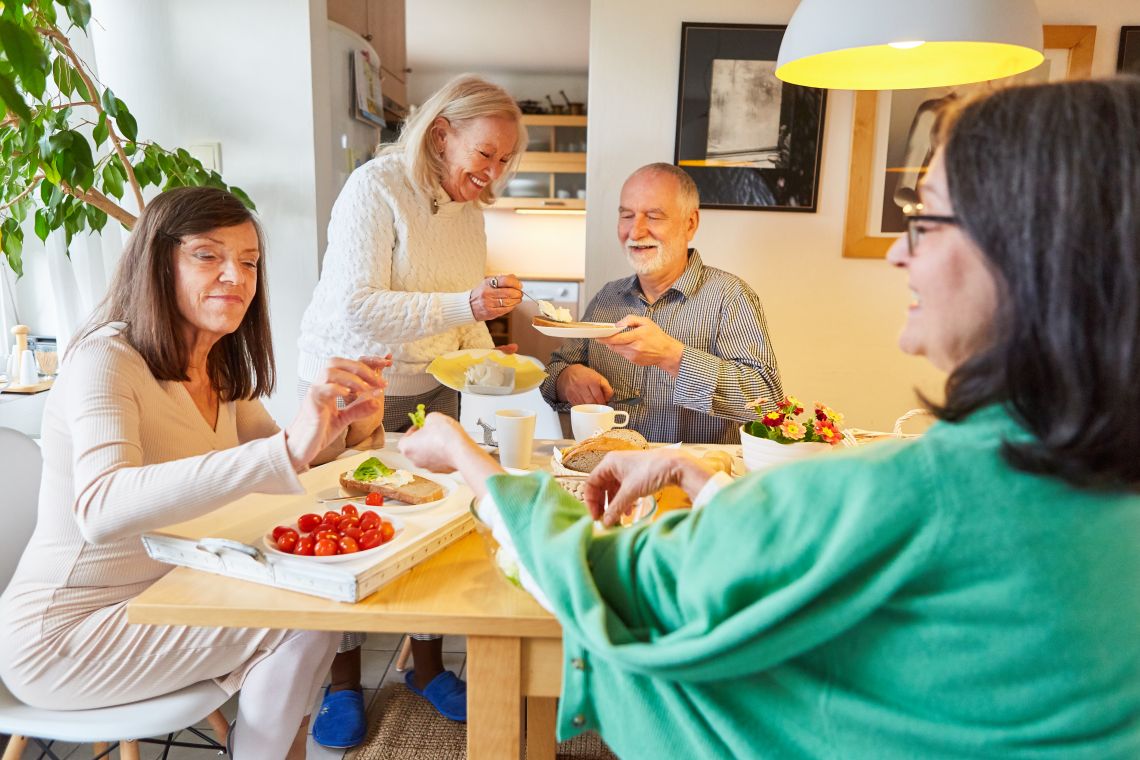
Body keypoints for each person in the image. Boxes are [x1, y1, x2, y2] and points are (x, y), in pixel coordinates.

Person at [399, 78, 1140, 758]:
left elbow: (609, 576)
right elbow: (814, 548)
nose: (896, 257)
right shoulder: (1100, 489)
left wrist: (467, 454)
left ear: (1030, 249)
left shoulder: (915, 486)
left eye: (926, 219)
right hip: (666, 494)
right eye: (625, 215)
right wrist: (644, 439)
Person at [0, 187, 389, 759]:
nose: (237, 275)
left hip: (170, 596)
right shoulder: (105, 359)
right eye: (208, 255)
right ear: (158, 262)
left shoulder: (216, 368)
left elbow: (283, 465)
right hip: (64, 635)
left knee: (313, 607)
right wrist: (288, 449)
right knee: (306, 614)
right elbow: (101, 509)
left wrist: (344, 424)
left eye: (250, 261)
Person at [295, 74, 527, 740]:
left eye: (506, 160)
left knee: (437, 523)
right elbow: (356, 305)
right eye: (485, 154)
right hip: (349, 389)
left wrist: (499, 364)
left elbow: (465, 316)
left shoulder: (469, 214)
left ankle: (424, 667)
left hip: (429, 386)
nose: (494, 172)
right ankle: (342, 682)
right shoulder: (374, 190)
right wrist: (468, 306)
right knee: (338, 529)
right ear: (442, 133)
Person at [541, 162, 783, 444]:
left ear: (690, 223)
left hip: (691, 479)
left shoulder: (730, 297)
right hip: (608, 474)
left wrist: (673, 357)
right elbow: (551, 374)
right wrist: (565, 378)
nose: (635, 231)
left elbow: (767, 402)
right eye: (627, 215)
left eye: (654, 216)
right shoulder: (606, 298)